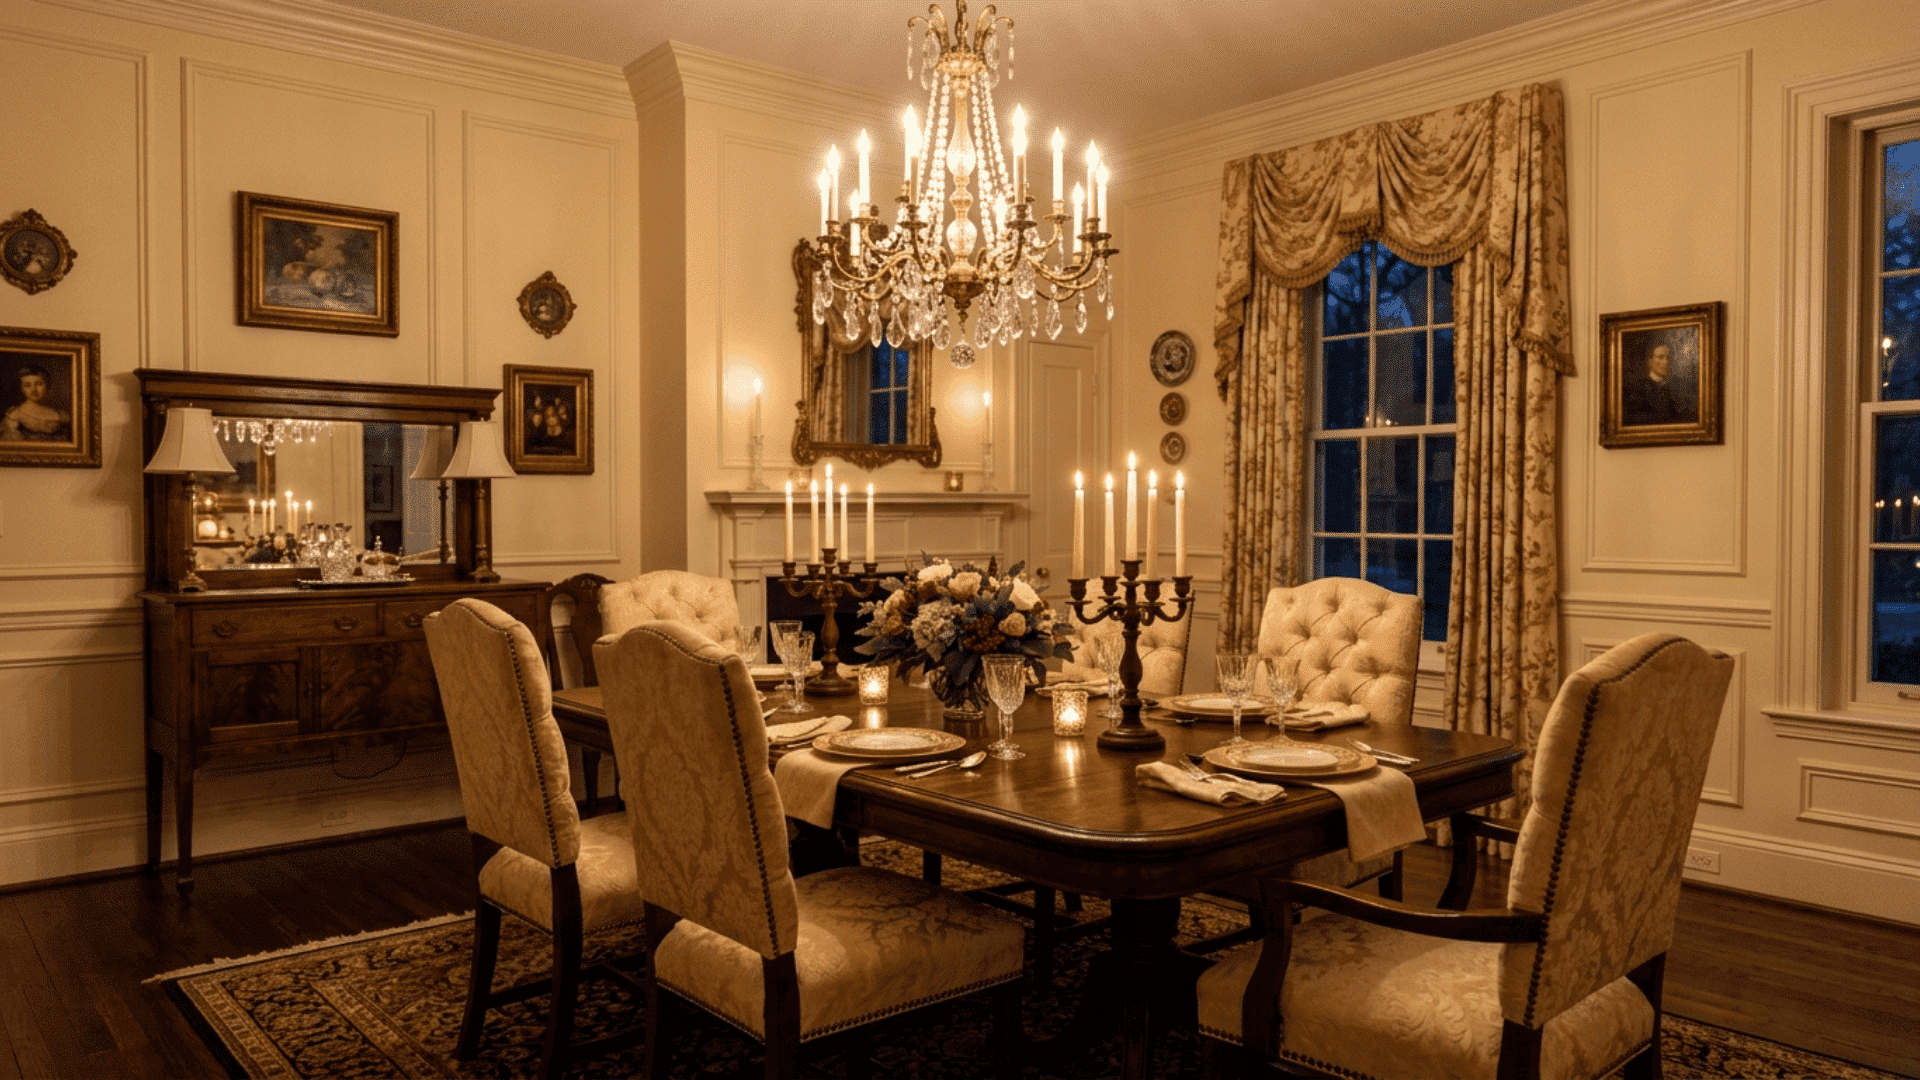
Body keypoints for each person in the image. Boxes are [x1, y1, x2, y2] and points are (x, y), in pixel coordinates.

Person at [1622, 341, 1692, 426]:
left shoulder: (1674, 389)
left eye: (1668, 358)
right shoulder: (1637, 388)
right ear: (1650, 361)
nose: (1666, 362)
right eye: (1660, 357)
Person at [0, 364, 72, 442]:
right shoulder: (15, 416)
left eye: (38, 384)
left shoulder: (59, 416)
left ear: (47, 385)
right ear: (22, 389)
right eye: (27, 385)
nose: (33, 389)